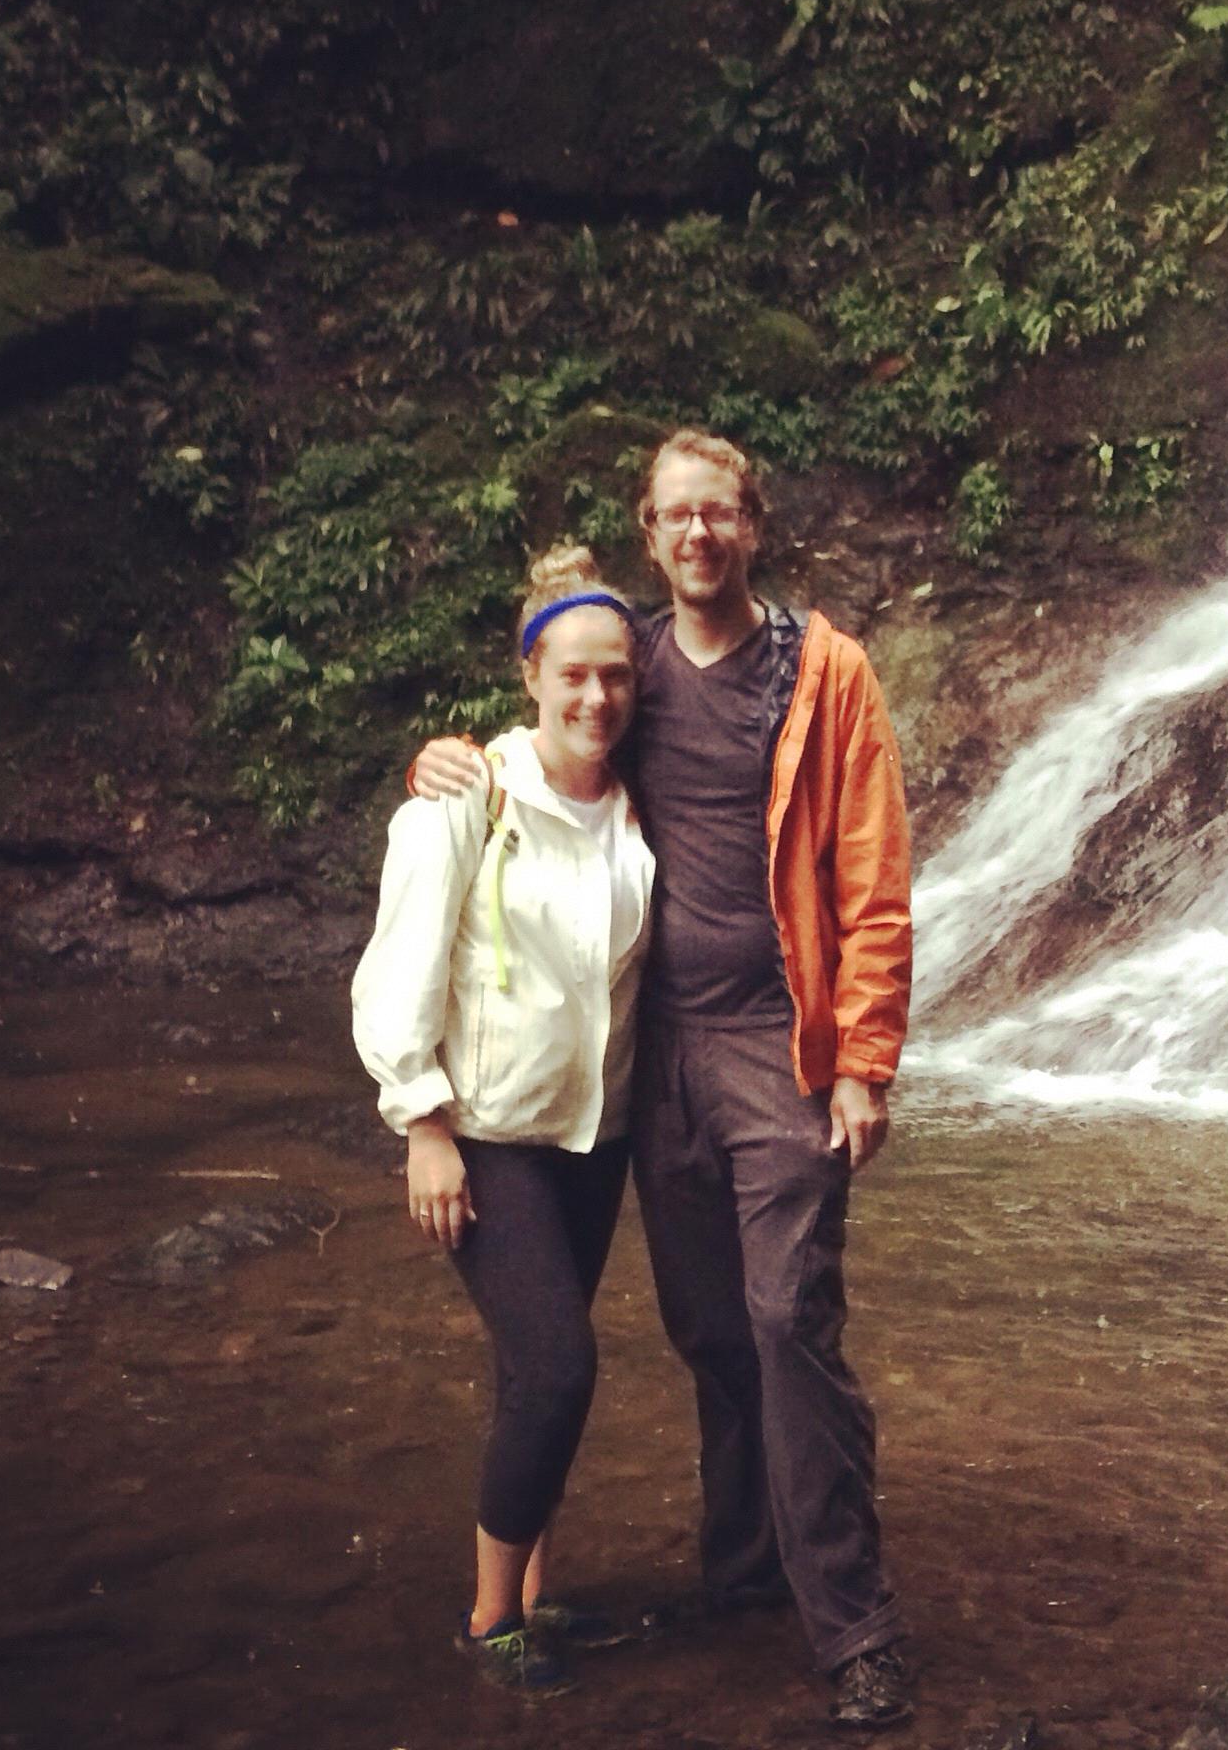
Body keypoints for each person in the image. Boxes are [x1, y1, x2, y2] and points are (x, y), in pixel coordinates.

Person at [412, 429, 915, 1730]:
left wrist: (863, 1062)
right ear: (649, 530)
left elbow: (873, 878)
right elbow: (547, 737)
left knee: (787, 1316)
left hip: (776, 1043)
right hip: (651, 1058)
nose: (700, 534)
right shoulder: (622, 658)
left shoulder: (824, 671)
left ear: (754, 525)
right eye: (676, 515)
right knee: (709, 1332)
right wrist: (446, 759)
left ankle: (852, 1625)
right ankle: (745, 1574)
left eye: (722, 513)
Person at [354, 545, 654, 1698]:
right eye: (573, 676)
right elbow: (402, 964)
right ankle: (488, 1622)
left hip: (594, 1133)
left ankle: (532, 1588)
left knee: (533, 1370)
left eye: (616, 677)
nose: (596, 698)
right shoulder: (465, 794)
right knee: (558, 1366)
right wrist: (420, 1119)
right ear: (531, 673)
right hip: (486, 1129)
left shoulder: (635, 802)